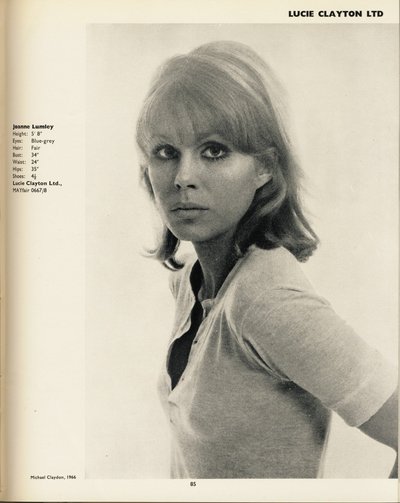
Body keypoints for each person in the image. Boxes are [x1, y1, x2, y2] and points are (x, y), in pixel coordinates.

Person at [135, 40, 398, 478]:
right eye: (166, 152)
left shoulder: (267, 299)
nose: (183, 177)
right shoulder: (190, 280)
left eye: (214, 150)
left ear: (265, 168)